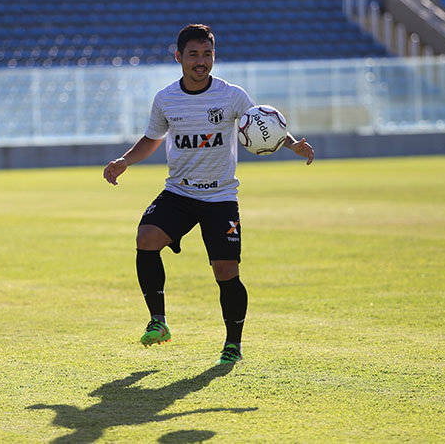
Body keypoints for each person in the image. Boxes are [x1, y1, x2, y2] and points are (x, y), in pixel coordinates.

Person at [103, 24, 314, 365]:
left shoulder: (231, 95)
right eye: (193, 55)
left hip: (220, 198)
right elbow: (152, 138)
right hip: (180, 192)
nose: (201, 61)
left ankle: (233, 345)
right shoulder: (166, 99)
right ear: (179, 57)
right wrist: (125, 160)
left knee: (226, 271)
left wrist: (292, 144)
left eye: (207, 54)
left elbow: (264, 124)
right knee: (146, 238)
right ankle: (158, 321)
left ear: (214, 56)